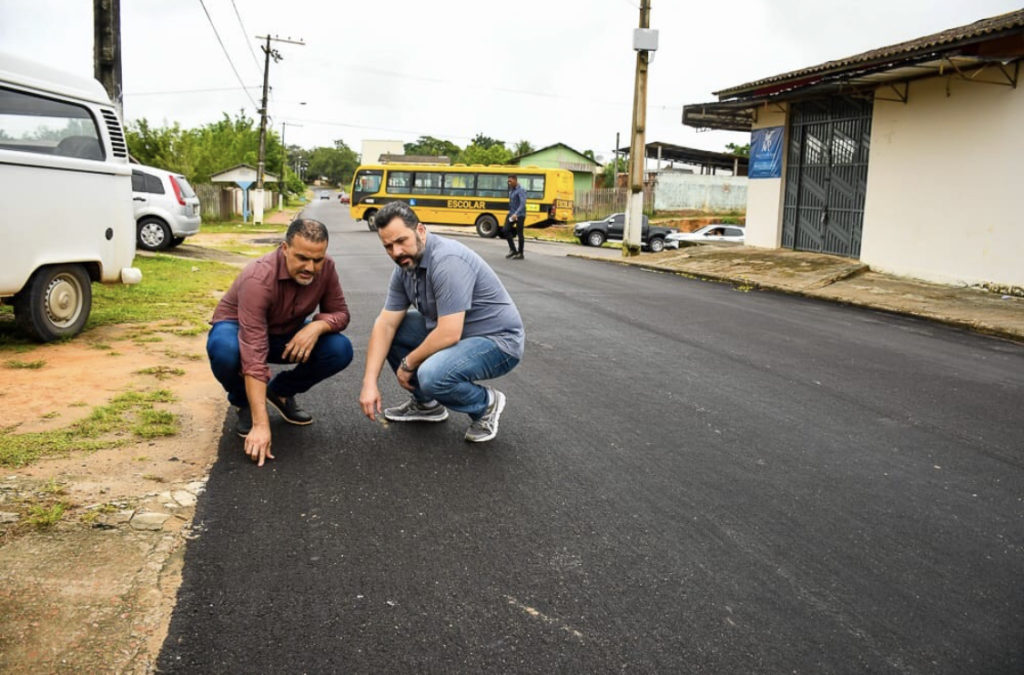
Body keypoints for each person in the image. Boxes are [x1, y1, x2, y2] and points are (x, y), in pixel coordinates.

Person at [359, 201, 524, 443]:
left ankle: (485, 404)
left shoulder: (447, 260)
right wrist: (369, 382)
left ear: (421, 231)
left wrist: (407, 364)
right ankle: (427, 405)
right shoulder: (404, 268)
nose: (396, 252)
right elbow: (385, 324)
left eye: (401, 241)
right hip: (459, 333)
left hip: (498, 341)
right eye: (388, 246)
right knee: (395, 328)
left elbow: (449, 333)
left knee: (431, 374)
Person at [207, 218, 353, 466]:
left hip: (286, 334)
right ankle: (243, 403)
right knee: (224, 349)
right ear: (284, 249)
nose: (311, 267)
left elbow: (340, 313)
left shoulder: (326, 269)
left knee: (340, 349)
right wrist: (260, 425)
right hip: (240, 331)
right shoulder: (258, 277)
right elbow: (253, 352)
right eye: (302, 258)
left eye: (317, 259)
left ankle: (281, 392)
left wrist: (317, 326)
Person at [504, 174, 526, 260]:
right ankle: (513, 250)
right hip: (511, 214)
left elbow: (522, 203)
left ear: (515, 180)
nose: (509, 183)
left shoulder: (521, 190)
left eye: (511, 181)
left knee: (520, 233)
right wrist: (511, 213)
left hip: (519, 215)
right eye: (508, 181)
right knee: (505, 230)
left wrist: (516, 213)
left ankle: (520, 253)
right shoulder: (511, 190)